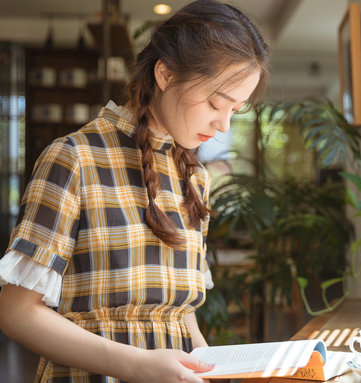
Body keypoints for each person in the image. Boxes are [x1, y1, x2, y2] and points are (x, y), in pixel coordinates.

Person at [0, 0, 270, 381]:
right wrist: (136, 365)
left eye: (235, 110)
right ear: (165, 74)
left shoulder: (194, 177)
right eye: (215, 103)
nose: (223, 124)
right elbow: (16, 312)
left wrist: (208, 363)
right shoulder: (74, 158)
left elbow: (177, 310)